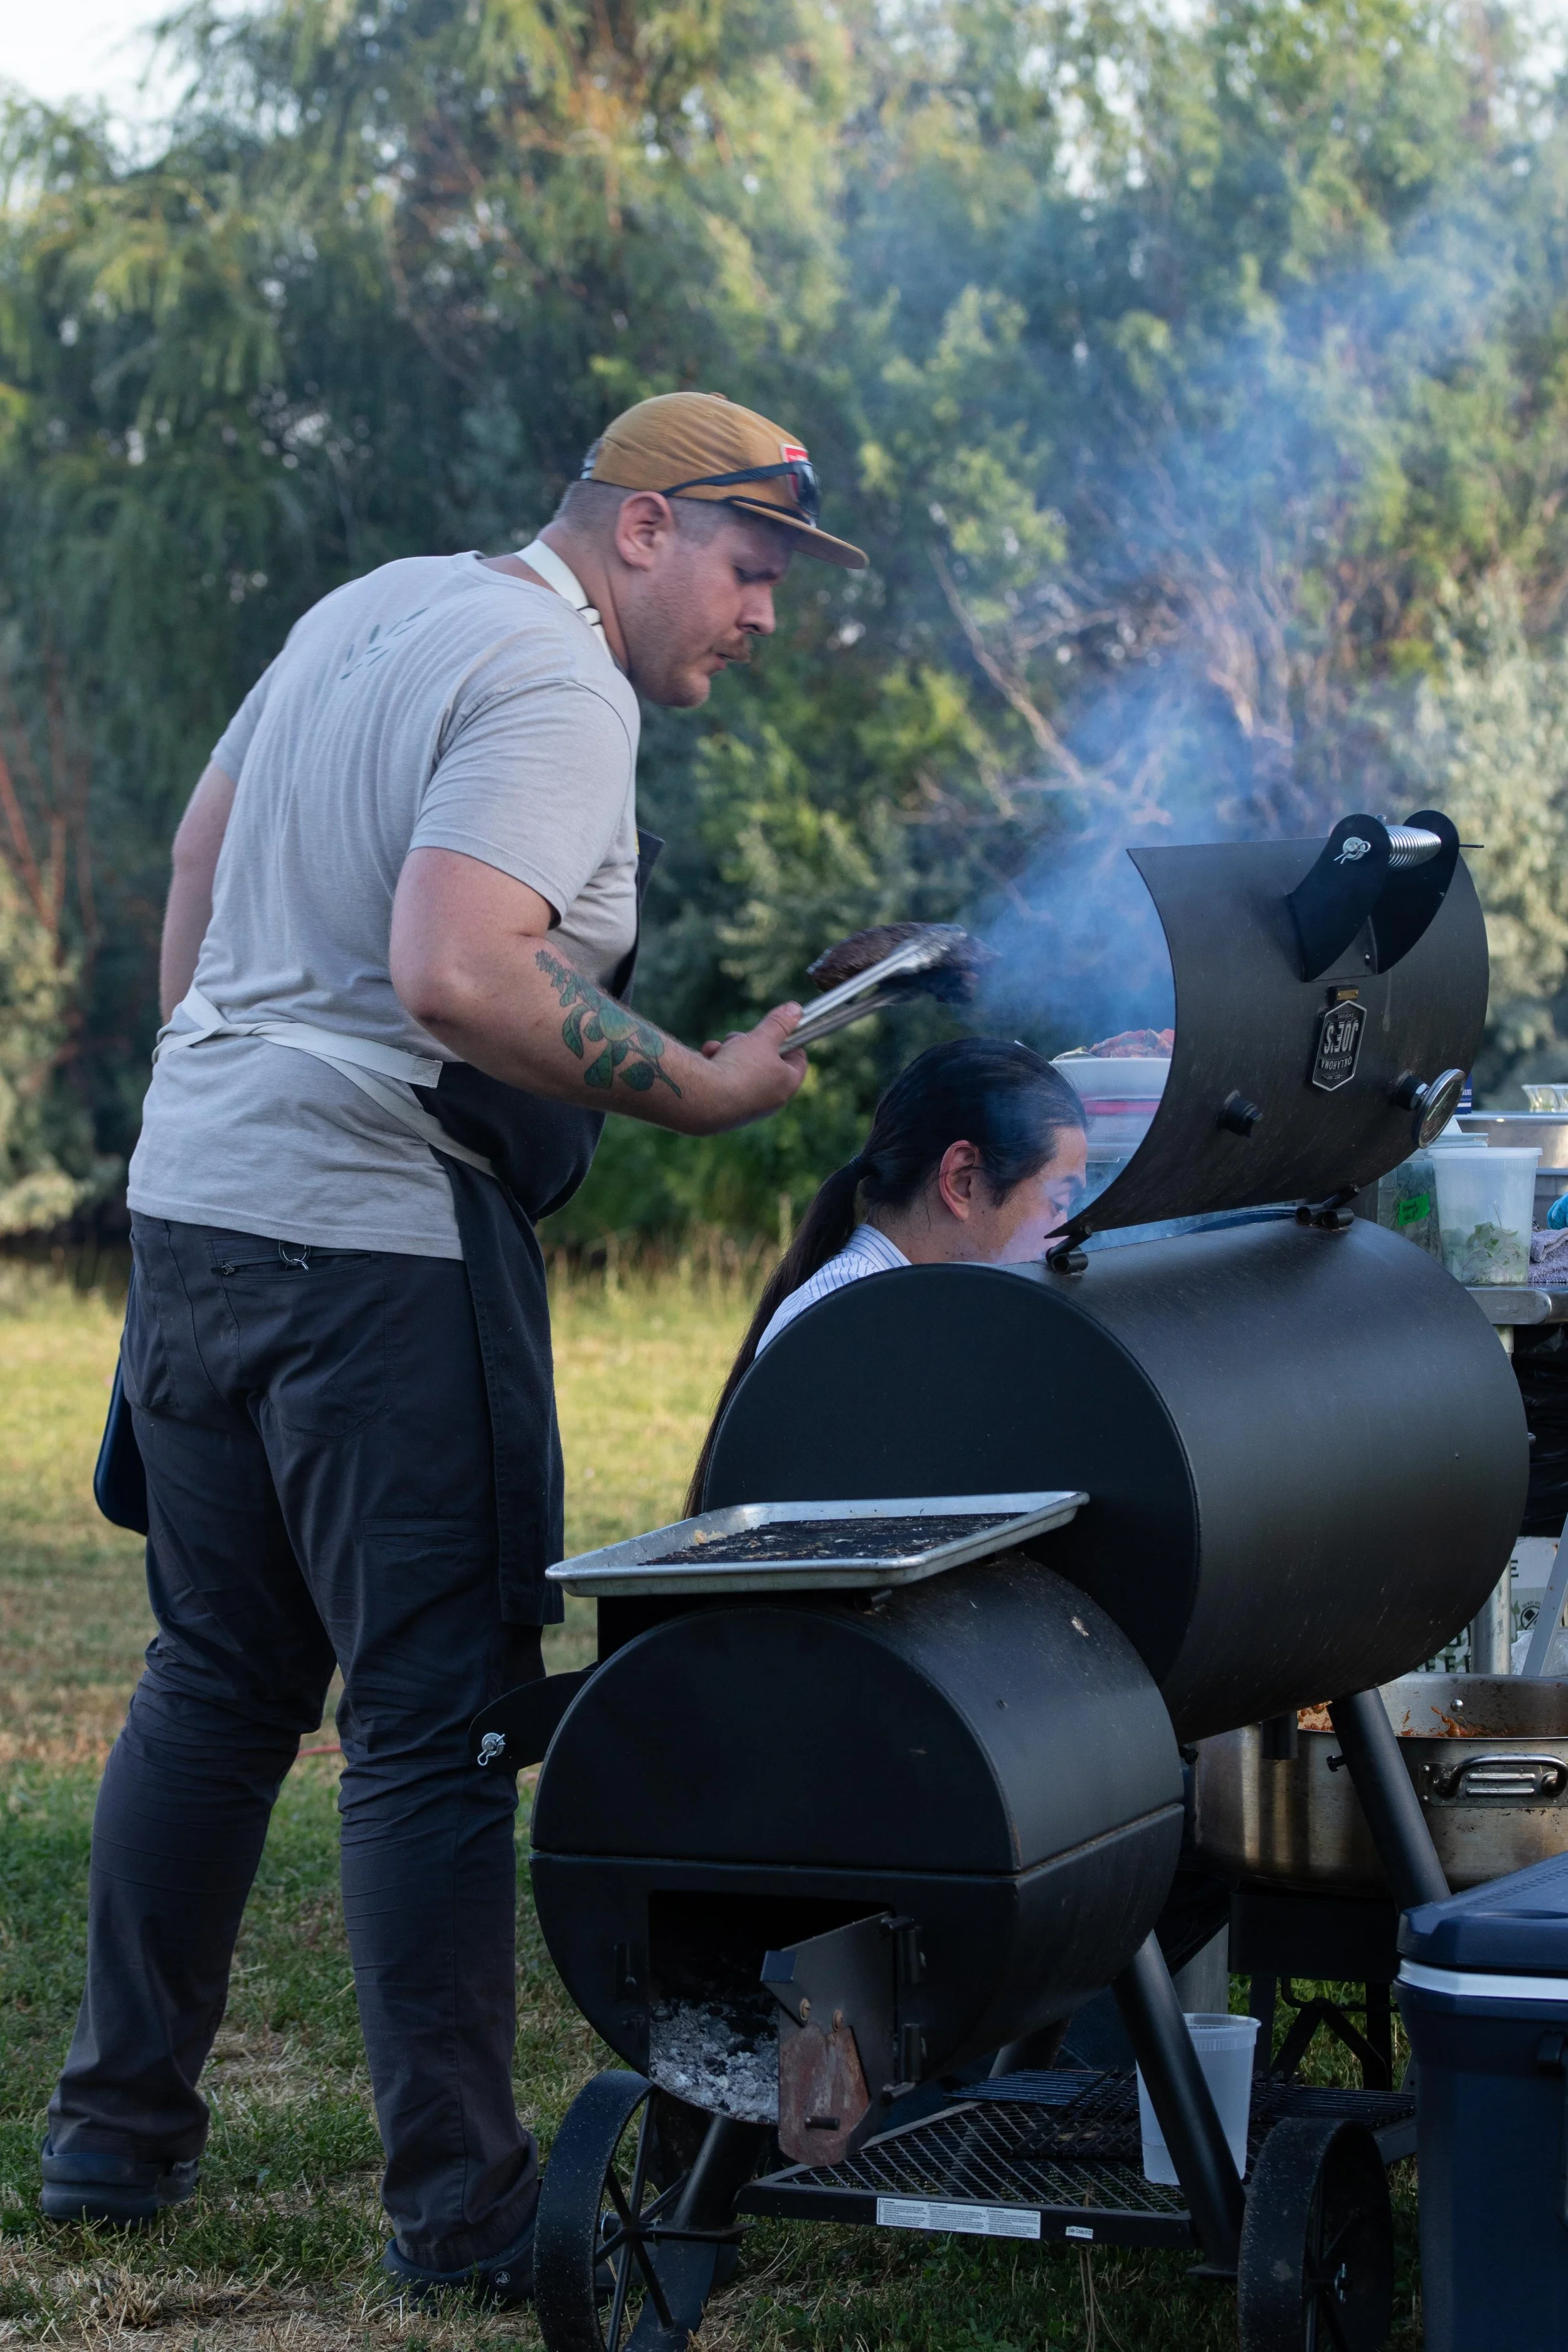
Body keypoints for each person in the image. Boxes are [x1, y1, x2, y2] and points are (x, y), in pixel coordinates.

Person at [41, 392, 867, 2303]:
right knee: (429, 1724)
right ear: (644, 530)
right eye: (750, 571)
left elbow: (196, 859)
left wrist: (223, 1089)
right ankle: (463, 2209)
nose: (761, 617)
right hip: (372, 1249)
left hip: (198, 1207)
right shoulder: (559, 683)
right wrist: (707, 1087)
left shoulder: (366, 608)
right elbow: (454, 965)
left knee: (215, 1676)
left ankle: (112, 2134)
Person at [686, 1039, 1086, 1510]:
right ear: (964, 1181)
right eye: (1060, 1202)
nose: (1065, 1238)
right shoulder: (853, 1323)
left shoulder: (911, 1309)